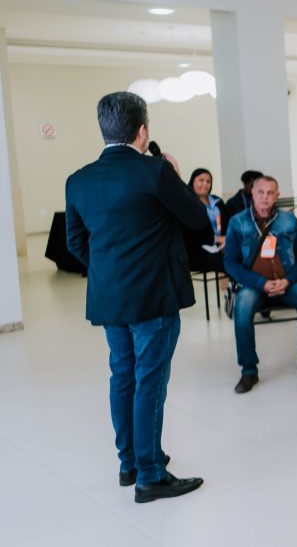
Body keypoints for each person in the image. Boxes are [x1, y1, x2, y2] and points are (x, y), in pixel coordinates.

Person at [65, 91, 206, 503]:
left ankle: (129, 462)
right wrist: (175, 175)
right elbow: (197, 218)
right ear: (142, 131)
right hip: (154, 297)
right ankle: (151, 474)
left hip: (110, 298)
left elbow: (76, 242)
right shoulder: (155, 172)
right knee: (150, 381)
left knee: (123, 376)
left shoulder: (78, 180)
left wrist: (110, 272)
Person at [223, 175, 297, 393]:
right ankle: (248, 370)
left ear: (277, 195)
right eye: (260, 192)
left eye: (270, 193)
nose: (265, 197)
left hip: (286, 283)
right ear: (252, 193)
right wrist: (260, 283)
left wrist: (288, 280)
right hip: (254, 285)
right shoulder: (237, 222)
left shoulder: (288, 220)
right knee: (242, 307)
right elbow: (230, 263)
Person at [185, 168, 230, 274]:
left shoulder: (217, 201)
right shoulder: (188, 204)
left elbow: (229, 223)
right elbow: (188, 234)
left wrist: (227, 239)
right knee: (230, 262)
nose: (205, 184)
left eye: (208, 181)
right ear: (192, 182)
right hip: (198, 250)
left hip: (222, 245)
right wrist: (216, 239)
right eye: (201, 180)